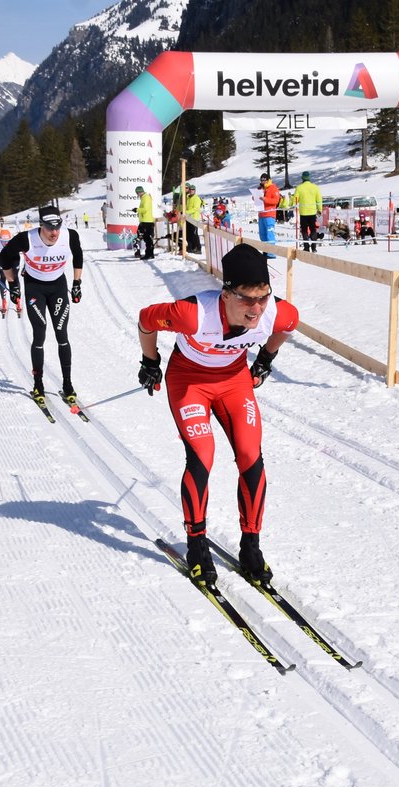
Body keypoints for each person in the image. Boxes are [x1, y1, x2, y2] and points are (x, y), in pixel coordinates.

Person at [135, 243, 299, 586]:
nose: (255, 310)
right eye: (246, 299)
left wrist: (265, 360)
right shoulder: (192, 313)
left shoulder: (275, 313)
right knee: (202, 457)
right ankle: (197, 545)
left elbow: (288, 325)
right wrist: (150, 361)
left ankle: (250, 545)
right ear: (225, 294)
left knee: (251, 456)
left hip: (233, 381)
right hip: (189, 381)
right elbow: (146, 319)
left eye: (263, 297)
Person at [0, 205, 85, 407]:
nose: (54, 233)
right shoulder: (26, 238)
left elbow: (78, 255)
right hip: (35, 287)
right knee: (39, 334)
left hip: (58, 287)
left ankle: (68, 385)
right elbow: (4, 258)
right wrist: (13, 285)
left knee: (62, 334)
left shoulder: (69, 236)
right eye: (49, 228)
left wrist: (77, 283)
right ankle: (38, 384)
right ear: (41, 226)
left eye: (57, 227)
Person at [295, 171, 323, 252]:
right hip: (312, 212)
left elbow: (295, 199)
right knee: (313, 229)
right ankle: (314, 247)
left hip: (303, 212)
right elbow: (319, 199)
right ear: (309, 178)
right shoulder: (315, 187)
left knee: (304, 230)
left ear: (302, 178)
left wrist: (293, 204)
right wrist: (319, 209)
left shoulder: (299, 187)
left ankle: (306, 247)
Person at [256, 173, 281, 252]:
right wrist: (254, 197)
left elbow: (276, 201)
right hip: (261, 214)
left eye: (265, 180)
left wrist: (265, 199)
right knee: (262, 234)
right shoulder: (260, 188)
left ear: (268, 180)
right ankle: (265, 251)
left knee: (269, 234)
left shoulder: (273, 188)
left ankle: (271, 252)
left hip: (269, 214)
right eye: (262, 180)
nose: (263, 182)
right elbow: (257, 199)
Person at [181, 182, 203, 254]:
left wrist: (186, 212)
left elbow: (196, 208)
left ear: (195, 190)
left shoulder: (196, 198)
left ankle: (198, 248)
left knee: (194, 234)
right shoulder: (188, 197)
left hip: (194, 219)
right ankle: (190, 247)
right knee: (188, 234)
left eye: (192, 189)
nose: (191, 190)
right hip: (188, 218)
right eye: (190, 189)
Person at [134, 185, 156, 259]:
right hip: (144, 221)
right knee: (146, 238)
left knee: (147, 238)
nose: (137, 195)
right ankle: (149, 254)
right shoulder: (144, 198)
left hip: (147, 221)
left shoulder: (146, 198)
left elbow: (145, 209)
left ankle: (149, 254)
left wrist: (137, 210)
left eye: (137, 193)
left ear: (139, 192)